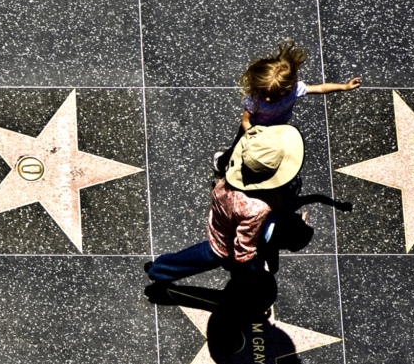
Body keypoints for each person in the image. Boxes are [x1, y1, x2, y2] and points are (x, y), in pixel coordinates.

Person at [148, 125, 305, 284]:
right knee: (237, 272)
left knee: (194, 256)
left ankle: (159, 268)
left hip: (221, 222)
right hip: (228, 247)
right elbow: (244, 249)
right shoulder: (258, 209)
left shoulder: (235, 167)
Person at [215, 40, 360, 172]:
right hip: (255, 129)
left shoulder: (294, 90)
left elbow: (320, 88)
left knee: (266, 153)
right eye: (264, 93)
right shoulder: (256, 99)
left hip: (276, 128)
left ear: (287, 89)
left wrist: (344, 87)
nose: (267, 98)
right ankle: (222, 163)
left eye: (273, 96)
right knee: (238, 146)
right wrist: (254, 134)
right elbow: (246, 121)